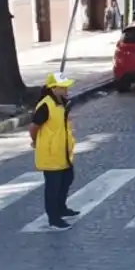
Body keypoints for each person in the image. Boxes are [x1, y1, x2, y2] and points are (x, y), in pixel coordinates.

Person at [29, 72, 79, 231]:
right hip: (51, 152)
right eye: (63, 87)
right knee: (53, 186)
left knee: (67, 179)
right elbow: (33, 127)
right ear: (53, 88)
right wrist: (37, 141)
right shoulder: (46, 105)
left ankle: (61, 208)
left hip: (63, 151)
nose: (66, 90)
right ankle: (54, 218)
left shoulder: (62, 102)